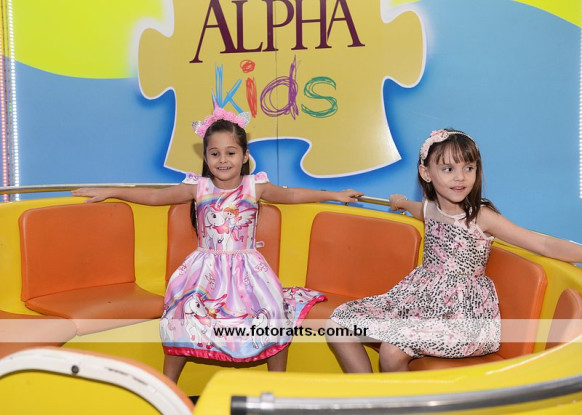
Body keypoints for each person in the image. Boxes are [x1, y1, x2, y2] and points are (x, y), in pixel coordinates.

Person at [73, 107, 363, 383]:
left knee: (273, 312)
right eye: (215, 153)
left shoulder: (255, 186)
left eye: (230, 153)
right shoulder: (198, 187)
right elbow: (154, 196)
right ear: (206, 156)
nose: (223, 160)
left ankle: (278, 384)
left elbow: (293, 195)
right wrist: (112, 191)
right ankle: (168, 384)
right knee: (183, 313)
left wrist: (334, 195)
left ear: (245, 155)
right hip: (204, 270)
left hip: (248, 271)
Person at [326, 128, 582, 373]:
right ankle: (369, 394)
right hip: (420, 300)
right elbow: (416, 208)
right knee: (337, 326)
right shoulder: (429, 207)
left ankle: (399, 399)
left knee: (392, 351)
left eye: (468, 168)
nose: (460, 177)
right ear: (426, 173)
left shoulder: (480, 216)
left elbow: (543, 244)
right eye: (448, 169)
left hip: (462, 314)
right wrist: (400, 202)